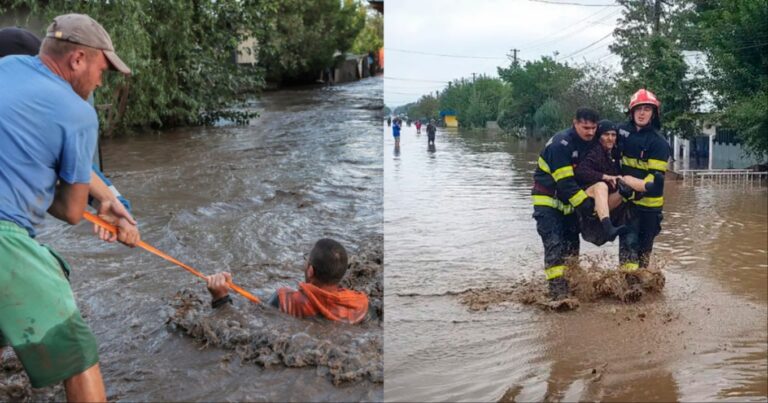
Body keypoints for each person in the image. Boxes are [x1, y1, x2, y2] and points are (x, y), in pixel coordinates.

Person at [0, 14, 136, 401]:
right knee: (79, 355)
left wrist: (110, 198)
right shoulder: (77, 112)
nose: (101, 82)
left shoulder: (8, 68)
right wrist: (107, 206)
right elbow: (72, 211)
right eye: (102, 70)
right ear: (77, 59)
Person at [205, 239, 369, 324]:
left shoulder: (284, 299)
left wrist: (221, 299)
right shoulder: (360, 304)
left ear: (310, 271)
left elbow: (244, 323)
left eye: (306, 260)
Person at [532, 108, 600, 301]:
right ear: (575, 123)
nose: (590, 132)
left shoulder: (591, 143)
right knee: (554, 244)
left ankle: (573, 285)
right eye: (585, 128)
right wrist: (587, 206)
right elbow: (566, 184)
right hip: (548, 201)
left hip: (568, 204)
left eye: (593, 128)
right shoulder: (560, 144)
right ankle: (558, 294)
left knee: (572, 246)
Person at [574, 120, 661, 246]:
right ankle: (608, 227)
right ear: (599, 136)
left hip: (606, 203)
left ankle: (649, 186)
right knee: (601, 186)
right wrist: (604, 177)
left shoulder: (614, 155)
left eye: (613, 135)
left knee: (625, 180)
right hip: (589, 200)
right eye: (606, 135)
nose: (610, 138)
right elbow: (580, 171)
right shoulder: (594, 152)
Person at [617, 89, 670, 284]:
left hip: (650, 208)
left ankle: (642, 284)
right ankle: (629, 289)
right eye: (638, 109)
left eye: (647, 109)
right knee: (628, 246)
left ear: (653, 113)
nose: (642, 113)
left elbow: (654, 180)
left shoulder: (659, 143)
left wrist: (631, 184)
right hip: (628, 205)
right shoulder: (620, 132)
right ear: (631, 112)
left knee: (643, 253)